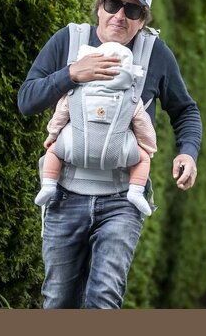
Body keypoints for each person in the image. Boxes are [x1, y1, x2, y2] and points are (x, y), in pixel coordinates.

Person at [17, 0, 202, 309]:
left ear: (143, 20)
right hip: (64, 192)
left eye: (132, 10)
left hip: (121, 200)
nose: (120, 16)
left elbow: (185, 111)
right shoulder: (69, 41)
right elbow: (27, 99)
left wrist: (188, 152)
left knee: (103, 298)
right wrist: (72, 73)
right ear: (99, 6)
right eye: (114, 4)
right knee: (58, 300)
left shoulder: (155, 55)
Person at [35, 41, 157, 217]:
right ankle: (136, 192)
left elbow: (59, 117)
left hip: (74, 146)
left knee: (53, 152)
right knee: (143, 159)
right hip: (118, 152)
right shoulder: (131, 98)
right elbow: (143, 126)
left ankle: (48, 186)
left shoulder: (75, 90)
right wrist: (148, 147)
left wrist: (52, 136)